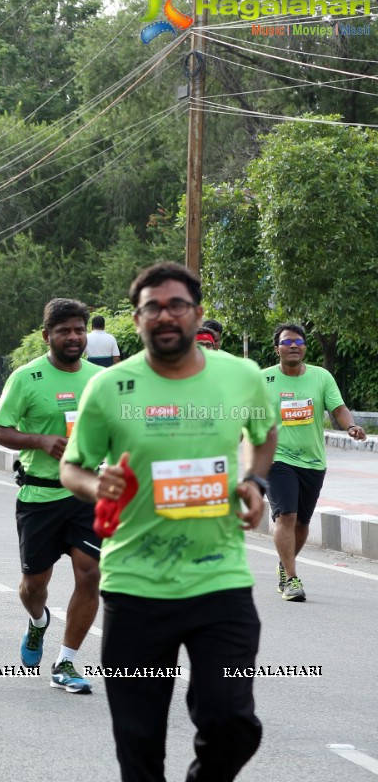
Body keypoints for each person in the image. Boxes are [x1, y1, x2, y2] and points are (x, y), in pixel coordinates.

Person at [60, 261, 276, 782]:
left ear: (196, 313)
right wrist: (96, 485)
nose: (165, 315)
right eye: (151, 307)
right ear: (136, 320)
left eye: (176, 304)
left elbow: (264, 433)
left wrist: (255, 481)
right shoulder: (111, 387)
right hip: (136, 584)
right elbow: (72, 465)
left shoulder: (240, 376)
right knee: (139, 743)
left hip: (218, 580)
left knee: (233, 721)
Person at [0, 298, 103, 693]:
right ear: (47, 336)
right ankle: (38, 622)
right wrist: (39, 440)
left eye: (78, 330)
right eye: (64, 331)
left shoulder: (99, 379)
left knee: (90, 574)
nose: (73, 337)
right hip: (39, 495)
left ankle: (66, 661)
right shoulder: (26, 378)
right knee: (34, 585)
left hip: (87, 494)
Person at [263, 322, 367, 602]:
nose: (293, 345)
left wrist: (350, 427)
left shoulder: (321, 377)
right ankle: (292, 580)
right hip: (276, 458)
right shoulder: (263, 379)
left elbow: (339, 408)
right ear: (277, 349)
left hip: (312, 462)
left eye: (298, 341)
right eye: (287, 342)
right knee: (286, 515)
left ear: (305, 347)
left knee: (302, 522)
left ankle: (285, 566)